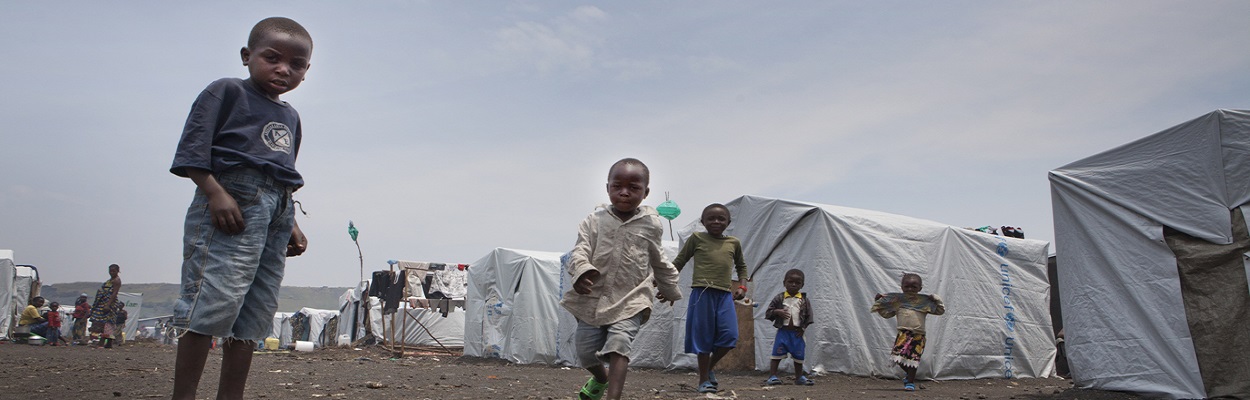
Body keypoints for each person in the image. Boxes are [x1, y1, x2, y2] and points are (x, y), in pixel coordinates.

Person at [168, 16, 312, 400]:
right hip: (232, 200)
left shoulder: (291, 116)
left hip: (276, 211)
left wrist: (291, 222)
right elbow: (193, 150)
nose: (284, 69)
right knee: (213, 300)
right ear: (247, 56)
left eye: (296, 64)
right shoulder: (226, 91)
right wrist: (215, 193)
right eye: (272, 57)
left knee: (255, 311)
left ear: (306, 71)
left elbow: (282, 172)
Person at [561, 158, 682, 400]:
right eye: (617, 186)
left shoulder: (651, 224)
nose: (624, 193)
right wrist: (582, 270)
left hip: (631, 298)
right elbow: (581, 250)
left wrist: (669, 288)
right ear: (608, 188)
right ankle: (600, 378)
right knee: (585, 353)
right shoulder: (593, 221)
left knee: (619, 345)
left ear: (645, 192)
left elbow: (659, 258)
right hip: (593, 298)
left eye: (634, 188)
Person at [669, 203, 748, 393]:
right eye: (711, 218)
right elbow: (678, 262)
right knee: (703, 338)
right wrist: (666, 284)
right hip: (701, 293)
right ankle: (703, 380)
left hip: (724, 295)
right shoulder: (696, 238)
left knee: (730, 336)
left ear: (728, 222)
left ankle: (708, 368)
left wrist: (743, 286)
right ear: (703, 221)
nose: (716, 221)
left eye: (721, 218)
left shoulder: (733, 243)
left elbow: (742, 267)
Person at [871, 273, 945, 391]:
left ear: (920, 288)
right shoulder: (898, 302)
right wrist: (879, 302)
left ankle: (910, 381)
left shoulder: (924, 303)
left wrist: (936, 299)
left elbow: (940, 311)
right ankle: (910, 376)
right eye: (907, 287)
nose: (910, 289)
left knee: (913, 359)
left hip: (918, 336)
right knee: (898, 357)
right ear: (902, 287)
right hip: (903, 335)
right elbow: (886, 314)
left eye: (914, 287)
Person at [763, 269, 814, 386]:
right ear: (784, 283)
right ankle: (772, 376)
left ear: (802, 285)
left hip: (797, 333)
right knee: (776, 354)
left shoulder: (804, 300)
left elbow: (809, 316)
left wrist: (803, 328)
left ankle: (799, 377)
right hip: (783, 332)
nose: (794, 285)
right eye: (790, 282)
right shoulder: (779, 298)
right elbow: (768, 312)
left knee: (798, 356)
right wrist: (777, 311)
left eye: (798, 283)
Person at [89, 264, 122, 348]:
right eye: (110, 271)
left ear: (118, 271)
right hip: (104, 302)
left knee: (107, 322)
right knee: (105, 323)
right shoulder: (111, 280)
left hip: (109, 303)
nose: (111, 273)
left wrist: (108, 305)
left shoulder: (117, 280)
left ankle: (102, 342)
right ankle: (108, 343)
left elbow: (114, 293)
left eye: (113, 271)